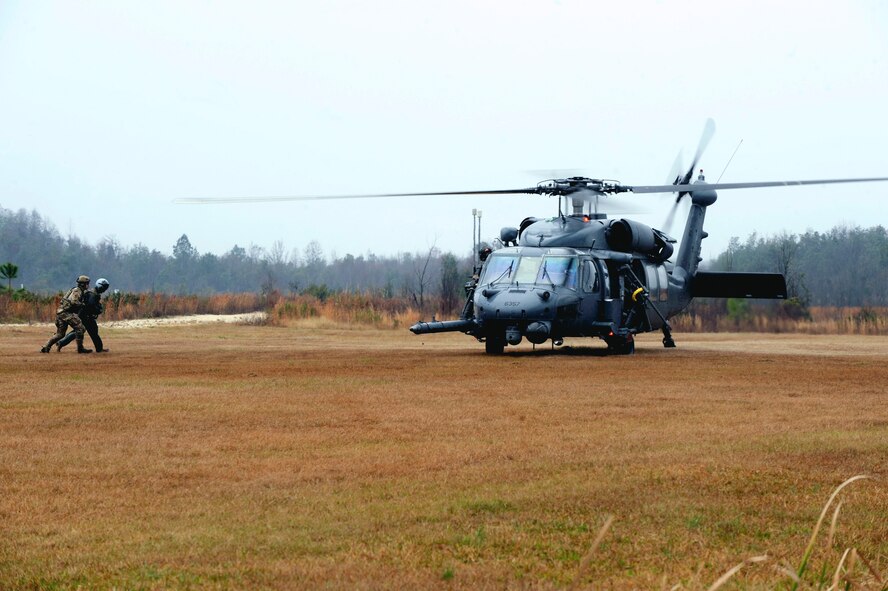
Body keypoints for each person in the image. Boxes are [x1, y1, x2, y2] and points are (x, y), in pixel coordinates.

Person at [41, 275, 92, 354]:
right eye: (87, 283)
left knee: (60, 334)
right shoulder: (77, 291)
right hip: (66, 313)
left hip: (61, 313)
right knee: (81, 328)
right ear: (83, 284)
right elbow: (74, 302)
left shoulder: (75, 290)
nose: (88, 285)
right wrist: (83, 305)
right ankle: (80, 348)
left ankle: (46, 347)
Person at [57, 277, 110, 353]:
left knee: (85, 331)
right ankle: (61, 342)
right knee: (86, 331)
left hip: (85, 315)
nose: (105, 289)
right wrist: (98, 310)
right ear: (100, 286)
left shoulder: (93, 292)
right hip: (86, 316)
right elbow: (90, 306)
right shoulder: (93, 294)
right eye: (104, 288)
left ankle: (61, 342)